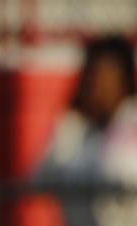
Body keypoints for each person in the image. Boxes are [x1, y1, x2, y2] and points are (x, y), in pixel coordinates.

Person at [35, 36, 137, 226]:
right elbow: (38, 181)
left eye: (101, 75)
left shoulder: (131, 123)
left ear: (122, 78)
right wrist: (71, 124)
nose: (93, 85)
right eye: (88, 76)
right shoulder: (77, 129)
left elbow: (117, 173)